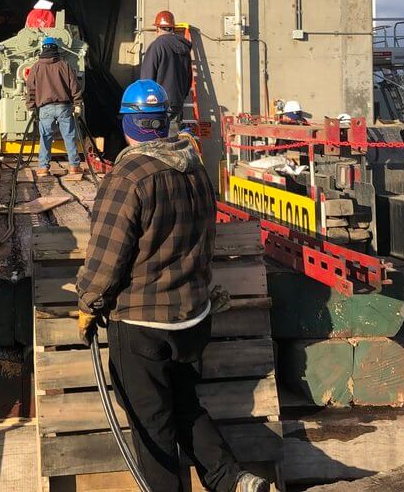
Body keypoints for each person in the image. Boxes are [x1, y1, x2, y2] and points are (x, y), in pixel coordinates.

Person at [76, 80, 269, 492]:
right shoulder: (193, 166)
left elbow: (107, 257)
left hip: (143, 325)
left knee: (153, 427)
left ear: (126, 122)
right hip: (192, 319)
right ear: (165, 121)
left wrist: (88, 303)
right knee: (184, 405)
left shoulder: (128, 175)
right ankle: (231, 479)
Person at [25, 36, 84, 177]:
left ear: (42, 49)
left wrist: (30, 107)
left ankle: (44, 168)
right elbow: (74, 86)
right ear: (56, 49)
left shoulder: (36, 67)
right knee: (69, 136)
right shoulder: (64, 65)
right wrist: (77, 103)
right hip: (64, 107)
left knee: (45, 137)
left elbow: (30, 89)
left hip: (46, 108)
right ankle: (74, 166)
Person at [140, 10, 193, 130]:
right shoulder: (184, 49)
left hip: (158, 105)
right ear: (172, 29)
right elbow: (188, 79)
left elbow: (146, 80)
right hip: (177, 104)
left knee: (157, 143)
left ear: (158, 29)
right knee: (172, 141)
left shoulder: (157, 46)